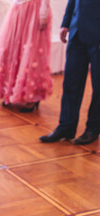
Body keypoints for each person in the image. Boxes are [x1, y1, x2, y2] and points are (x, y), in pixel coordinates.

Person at [40, 0, 100, 145]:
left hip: (97, 34)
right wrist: (66, 23)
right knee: (70, 84)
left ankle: (93, 129)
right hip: (76, 32)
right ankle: (66, 127)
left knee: (98, 87)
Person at [0, 0, 53, 112]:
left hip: (34, 9)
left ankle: (32, 96)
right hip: (18, 8)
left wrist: (43, 12)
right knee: (12, 49)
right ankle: (12, 92)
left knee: (31, 52)